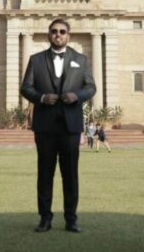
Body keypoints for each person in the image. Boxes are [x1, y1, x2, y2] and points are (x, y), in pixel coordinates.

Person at [20, 19, 97, 233]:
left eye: (62, 31)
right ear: (48, 35)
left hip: (70, 126)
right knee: (45, 173)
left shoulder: (80, 59)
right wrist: (42, 97)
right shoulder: (36, 60)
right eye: (54, 31)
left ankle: (71, 219)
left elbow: (91, 87)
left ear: (68, 35)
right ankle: (45, 218)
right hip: (44, 126)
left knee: (70, 174)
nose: (58, 34)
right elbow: (26, 88)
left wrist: (77, 96)